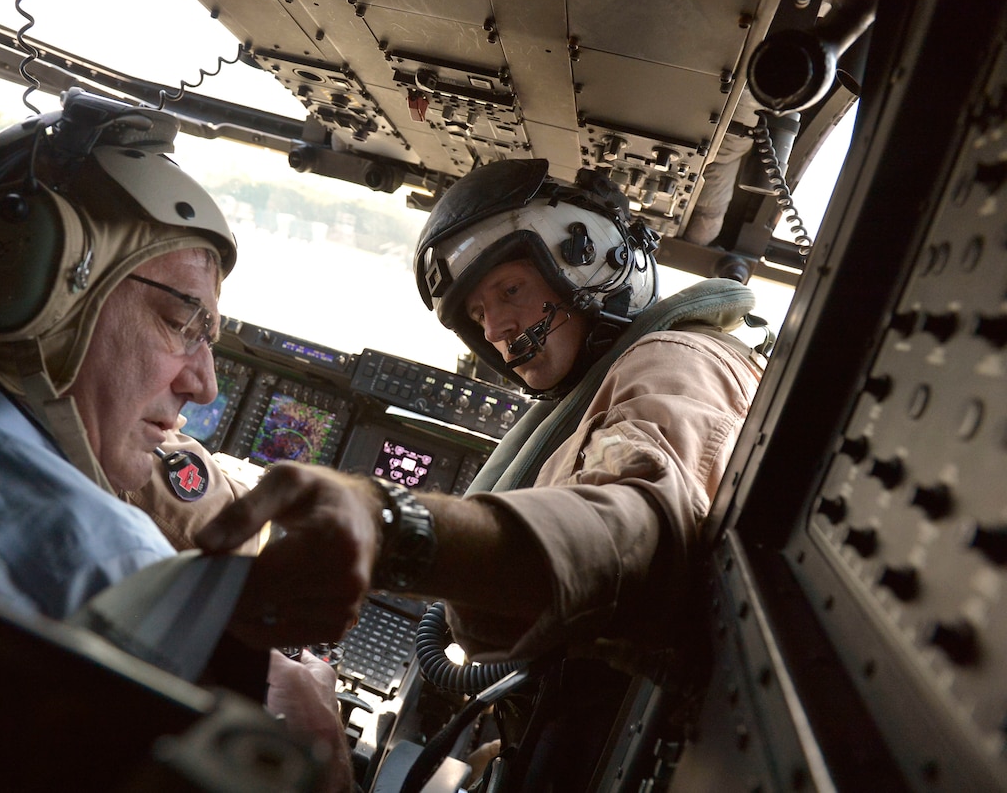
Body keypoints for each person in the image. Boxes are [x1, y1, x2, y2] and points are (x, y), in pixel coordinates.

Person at [0, 89, 361, 792]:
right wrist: (301, 741)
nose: (204, 384)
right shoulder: (109, 571)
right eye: (182, 322)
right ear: (35, 291)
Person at [195, 158, 765, 786]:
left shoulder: (679, 360)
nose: (494, 328)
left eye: (510, 291)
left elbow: (639, 518)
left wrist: (399, 528)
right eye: (478, 311)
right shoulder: (602, 390)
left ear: (592, 260)